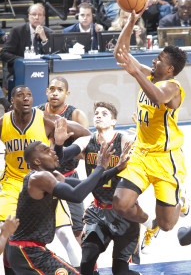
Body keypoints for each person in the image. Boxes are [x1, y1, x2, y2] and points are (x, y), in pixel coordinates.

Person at [112, 7, 189, 254]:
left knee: (169, 225)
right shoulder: (151, 75)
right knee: (120, 204)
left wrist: (135, 72)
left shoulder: (173, 87)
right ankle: (148, 222)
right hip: (141, 155)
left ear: (170, 69)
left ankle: (180, 200)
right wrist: (130, 22)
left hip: (166, 160)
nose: (154, 60)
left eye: (159, 59)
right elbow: (120, 54)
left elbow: (157, 97)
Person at [5, 133, 131, 274]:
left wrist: (117, 168)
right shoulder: (38, 177)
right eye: (47, 151)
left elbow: (86, 185)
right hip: (26, 251)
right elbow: (76, 196)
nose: (53, 152)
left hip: (29, 250)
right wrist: (100, 166)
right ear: (37, 161)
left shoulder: (53, 176)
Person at [0, 85, 90, 273]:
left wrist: (65, 153)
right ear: (12, 100)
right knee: (7, 233)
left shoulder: (47, 119)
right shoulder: (3, 122)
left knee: (66, 233)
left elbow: (85, 134)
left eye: (29, 95)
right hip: (13, 183)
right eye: (20, 95)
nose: (26, 98)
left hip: (42, 183)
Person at [66, 101, 140, 275]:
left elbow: (147, 149)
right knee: (86, 261)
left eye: (104, 113)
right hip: (97, 212)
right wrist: (59, 144)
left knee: (120, 271)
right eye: (96, 113)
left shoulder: (124, 140)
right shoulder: (86, 141)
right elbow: (65, 154)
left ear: (114, 121)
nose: (98, 115)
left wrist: (143, 132)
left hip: (124, 214)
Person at [38, 77, 89, 262]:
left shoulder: (76, 115)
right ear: (46, 91)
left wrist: (60, 151)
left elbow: (87, 150)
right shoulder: (37, 113)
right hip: (42, 179)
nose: (54, 93)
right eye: (51, 89)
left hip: (68, 177)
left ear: (67, 94)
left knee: (76, 229)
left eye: (59, 90)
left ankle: (86, 268)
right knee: (34, 228)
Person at [0, 4, 53, 91]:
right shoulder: (17, 31)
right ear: (29, 16)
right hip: (18, 72)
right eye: (34, 14)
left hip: (41, 72)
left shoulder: (49, 33)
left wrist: (44, 40)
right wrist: (24, 60)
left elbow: (53, 56)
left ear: (43, 17)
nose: (37, 17)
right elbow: (4, 53)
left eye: (40, 15)